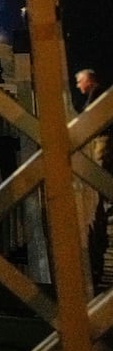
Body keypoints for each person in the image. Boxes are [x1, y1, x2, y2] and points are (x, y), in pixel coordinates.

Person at [75, 69, 111, 285]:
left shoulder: (97, 93)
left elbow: (89, 116)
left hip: (105, 142)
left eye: (80, 82)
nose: (78, 86)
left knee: (100, 175)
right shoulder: (101, 93)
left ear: (88, 81)